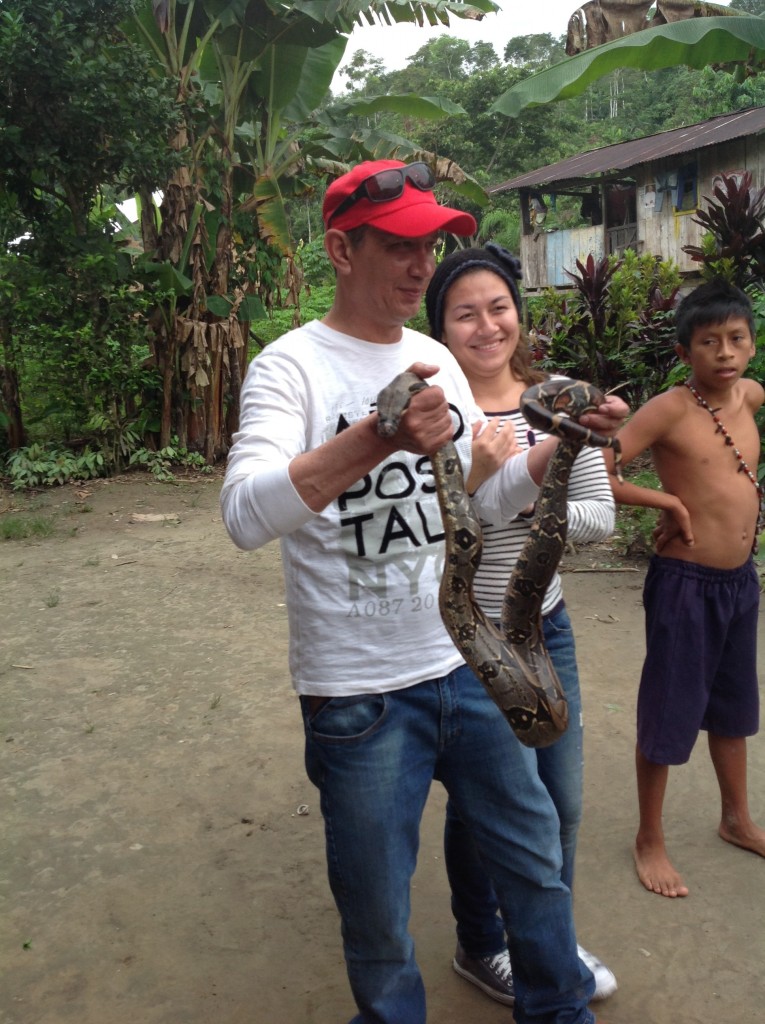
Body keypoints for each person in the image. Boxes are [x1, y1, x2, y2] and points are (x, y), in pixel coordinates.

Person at [220, 159, 627, 1024]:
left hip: (465, 664)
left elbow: (482, 499)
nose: (419, 264)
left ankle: (559, 1009)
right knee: (376, 915)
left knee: (534, 861)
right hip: (358, 696)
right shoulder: (288, 368)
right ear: (339, 247)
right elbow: (245, 517)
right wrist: (376, 436)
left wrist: (561, 438)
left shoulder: (432, 353)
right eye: (398, 245)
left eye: (428, 244)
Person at [424, 244, 617, 1006]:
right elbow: (436, 531)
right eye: (463, 313)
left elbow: (599, 517)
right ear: (438, 327)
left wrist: (527, 492)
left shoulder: (564, 399)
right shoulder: (428, 419)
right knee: (485, 805)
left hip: (543, 625)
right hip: (468, 639)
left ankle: (546, 938)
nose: (485, 325)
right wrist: (485, 480)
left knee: (559, 800)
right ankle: (482, 942)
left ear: (518, 312)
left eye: (497, 306)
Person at [605, 277, 765, 899]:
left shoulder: (749, 396)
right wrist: (666, 500)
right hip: (685, 583)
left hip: (739, 582)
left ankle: (736, 819)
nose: (724, 352)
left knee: (733, 706)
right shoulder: (671, 408)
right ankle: (649, 836)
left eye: (736, 339)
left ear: (751, 346)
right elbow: (601, 464)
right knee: (670, 708)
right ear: (684, 352)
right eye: (708, 342)